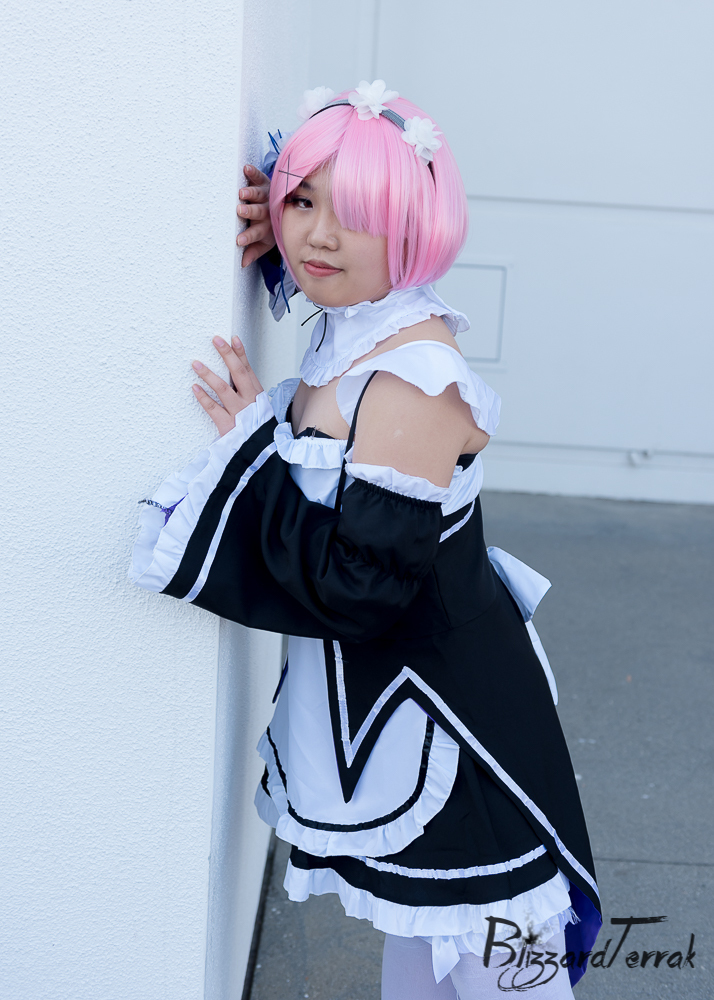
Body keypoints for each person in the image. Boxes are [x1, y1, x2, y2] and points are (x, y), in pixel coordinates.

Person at [130, 82, 601, 999]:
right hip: (396, 706)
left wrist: (251, 457)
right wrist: (281, 226)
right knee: (419, 958)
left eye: (354, 216)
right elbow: (326, 266)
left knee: (500, 970)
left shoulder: (413, 379)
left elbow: (363, 585)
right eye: (303, 203)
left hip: (452, 728)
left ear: (411, 227)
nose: (319, 237)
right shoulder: (358, 324)